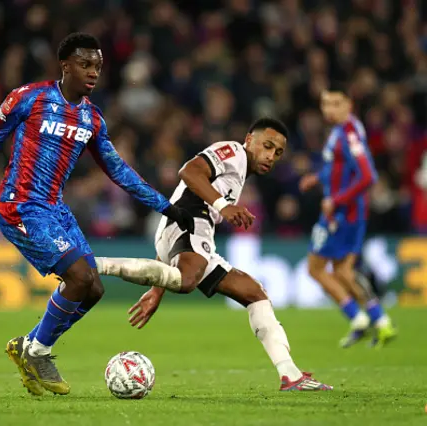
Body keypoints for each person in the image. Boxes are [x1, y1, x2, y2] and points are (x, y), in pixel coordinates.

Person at [0, 33, 194, 396]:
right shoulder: (29, 98)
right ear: (65, 65)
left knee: (93, 289)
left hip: (55, 210)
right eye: (85, 64)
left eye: (98, 66)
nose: (93, 72)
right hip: (20, 206)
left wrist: (167, 206)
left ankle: (30, 346)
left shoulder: (92, 119)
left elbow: (118, 170)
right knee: (81, 276)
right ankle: (39, 352)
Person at [97, 118, 333, 391]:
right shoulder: (233, 151)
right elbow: (189, 172)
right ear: (249, 139)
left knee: (254, 293)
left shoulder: (241, 171)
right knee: (187, 281)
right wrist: (224, 207)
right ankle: (97, 264)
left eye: (278, 152)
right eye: (267, 146)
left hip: (188, 234)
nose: (271, 156)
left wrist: (157, 290)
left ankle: (291, 375)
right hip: (189, 219)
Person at [299, 84, 397, 348]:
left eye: (335, 103)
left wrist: (336, 200)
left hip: (342, 213)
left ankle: (357, 318)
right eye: (325, 103)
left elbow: (368, 176)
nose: (328, 109)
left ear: (348, 105)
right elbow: (337, 167)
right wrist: (317, 178)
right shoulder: (342, 130)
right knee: (344, 271)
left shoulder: (350, 133)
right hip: (349, 213)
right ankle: (381, 322)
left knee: (315, 268)